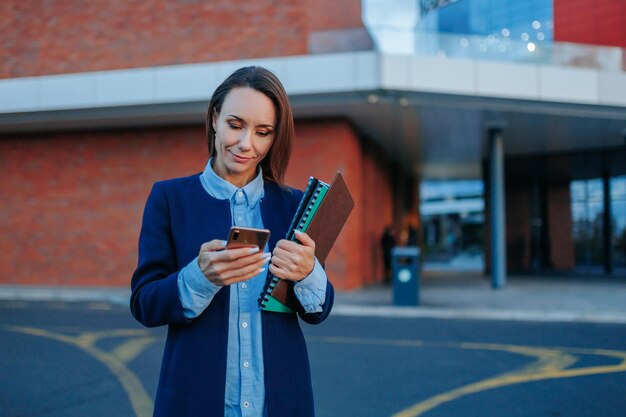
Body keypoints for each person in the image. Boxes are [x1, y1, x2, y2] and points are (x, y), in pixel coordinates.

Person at [130, 66, 334, 417]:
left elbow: (318, 311)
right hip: (195, 401)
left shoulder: (295, 204)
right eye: (235, 125)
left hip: (281, 404)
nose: (246, 144)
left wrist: (308, 272)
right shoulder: (169, 198)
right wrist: (199, 277)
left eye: (263, 132)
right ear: (214, 119)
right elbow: (144, 304)